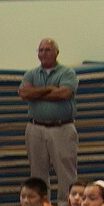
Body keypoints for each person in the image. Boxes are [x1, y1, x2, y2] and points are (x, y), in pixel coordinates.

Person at [20, 37, 79, 193]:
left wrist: (36, 93)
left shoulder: (67, 73)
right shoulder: (31, 73)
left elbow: (64, 93)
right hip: (35, 128)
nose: (44, 53)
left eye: (47, 50)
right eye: (41, 50)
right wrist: (50, 88)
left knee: (66, 172)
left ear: (56, 53)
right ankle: (41, 205)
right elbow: (24, 93)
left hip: (62, 128)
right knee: (37, 172)